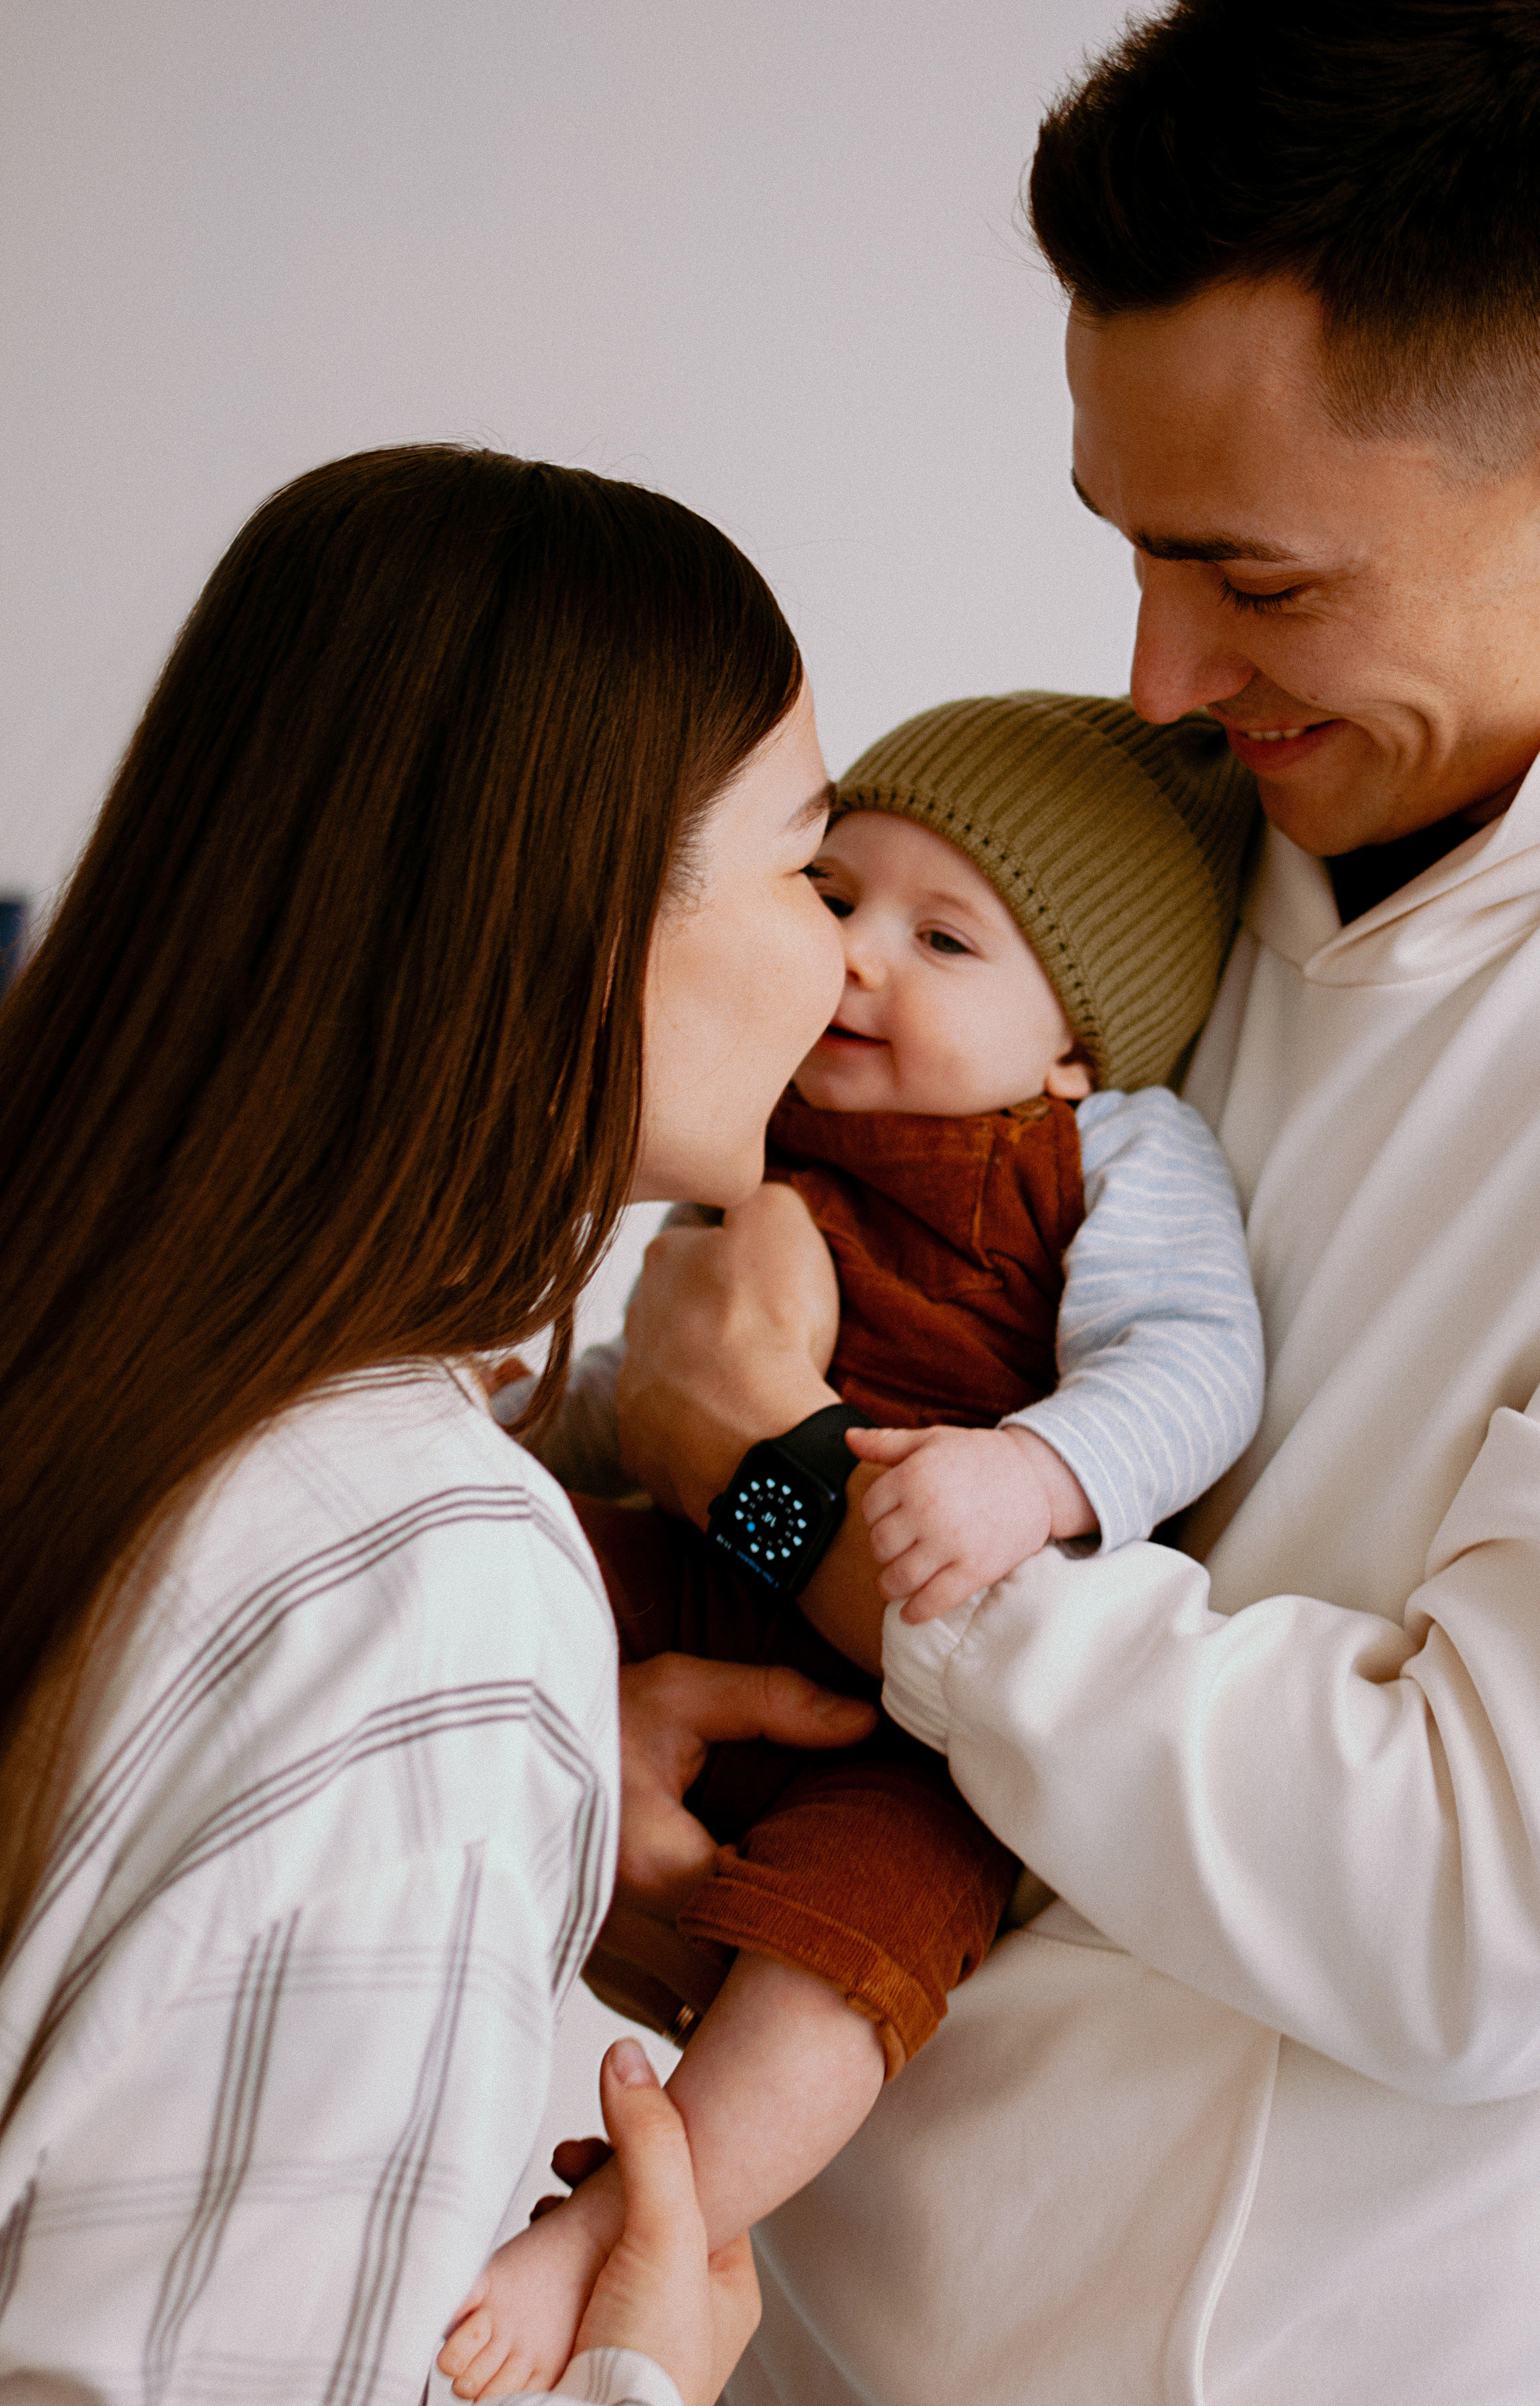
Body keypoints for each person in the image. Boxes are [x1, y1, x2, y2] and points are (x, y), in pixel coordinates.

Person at [608, 6, 1540, 2401]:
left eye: (1250, 578)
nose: (1155, 674)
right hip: (789, 2296)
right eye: (1129, 548)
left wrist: (791, 1504)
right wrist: (653, 1655)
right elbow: (746, 1427)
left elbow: (1472, 1906)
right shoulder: (1097, 888)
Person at [0, 444, 882, 2406]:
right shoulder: (437, 1579)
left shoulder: (107, 1343)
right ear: (577, 923)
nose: (845, 970)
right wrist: (642, 2377)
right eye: (817, 873)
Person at [437, 692, 1263, 2399]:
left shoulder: (1108, 1152)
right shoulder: (766, 1112)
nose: (856, 958)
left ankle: (623, 2227)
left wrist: (1035, 1472)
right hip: (703, 1573)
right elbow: (650, 1384)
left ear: (1071, 1050)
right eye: (833, 896)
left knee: (856, 1956)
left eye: (942, 936)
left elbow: (1195, 1365)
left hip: (914, 1732)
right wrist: (522, 1432)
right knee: (472, 1554)